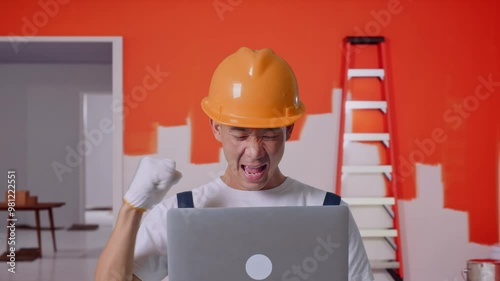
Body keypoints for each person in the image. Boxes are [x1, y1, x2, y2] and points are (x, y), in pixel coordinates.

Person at [95, 47, 374, 281]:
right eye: (240, 135)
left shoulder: (328, 213)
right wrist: (133, 207)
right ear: (216, 128)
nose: (254, 152)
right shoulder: (183, 213)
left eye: (269, 135)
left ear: (289, 130)